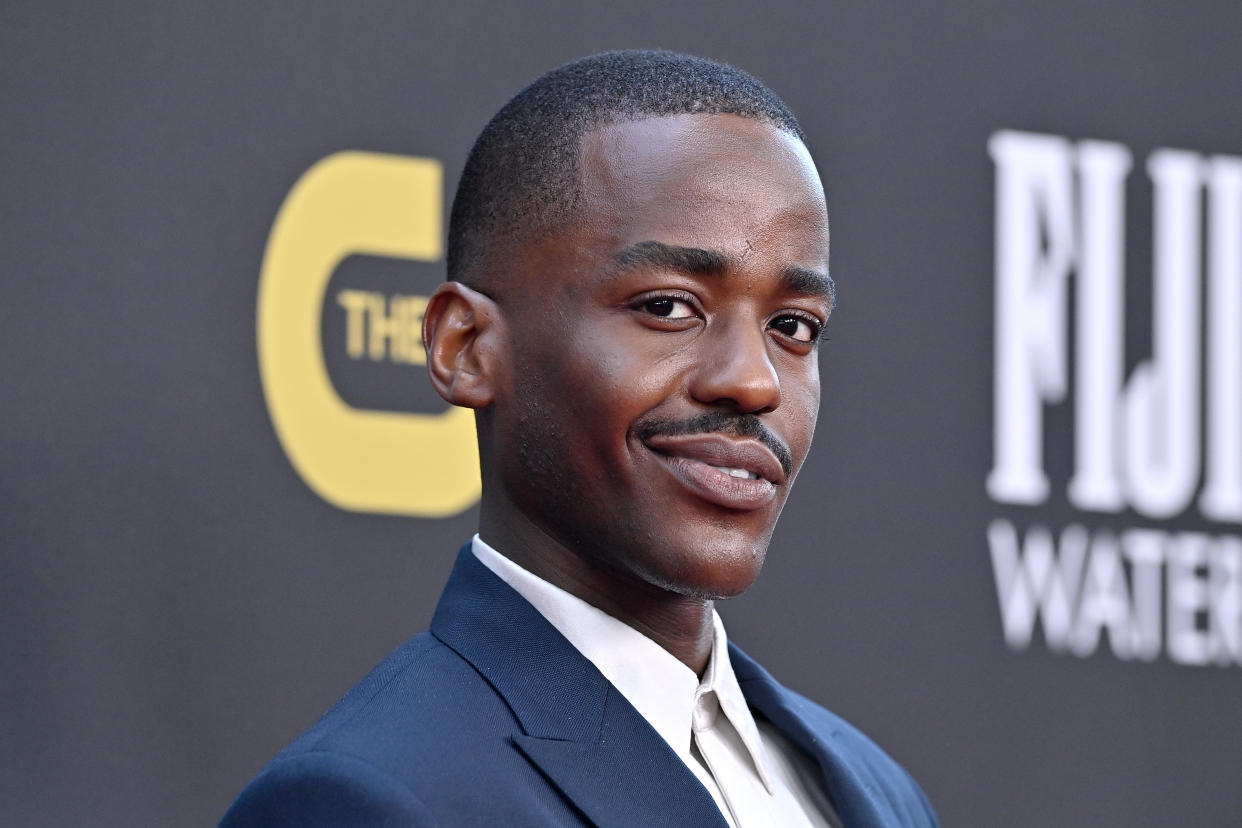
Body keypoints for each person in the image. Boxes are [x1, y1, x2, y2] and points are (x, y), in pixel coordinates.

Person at [222, 50, 938, 827]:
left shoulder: (877, 794)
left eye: (793, 327)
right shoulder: (372, 801)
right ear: (466, 348)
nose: (754, 382)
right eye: (669, 307)